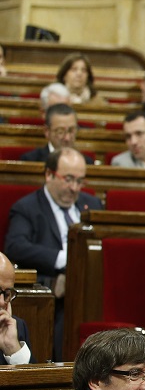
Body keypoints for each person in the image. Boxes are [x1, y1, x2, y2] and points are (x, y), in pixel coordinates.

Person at [5, 148, 103, 361]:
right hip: (54, 295)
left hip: (92, 291)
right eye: (68, 179)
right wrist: (66, 259)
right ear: (49, 174)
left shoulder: (92, 205)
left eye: (80, 181)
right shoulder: (27, 208)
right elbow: (15, 246)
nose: (74, 188)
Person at [19, 103, 94, 164]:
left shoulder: (86, 162)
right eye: (60, 132)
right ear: (47, 131)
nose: (67, 138)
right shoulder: (31, 160)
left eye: (71, 130)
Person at [0, 252, 32, 364]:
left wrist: (12, 348)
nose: (1, 302)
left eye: (7, 294)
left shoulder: (16, 328)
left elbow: (33, 380)